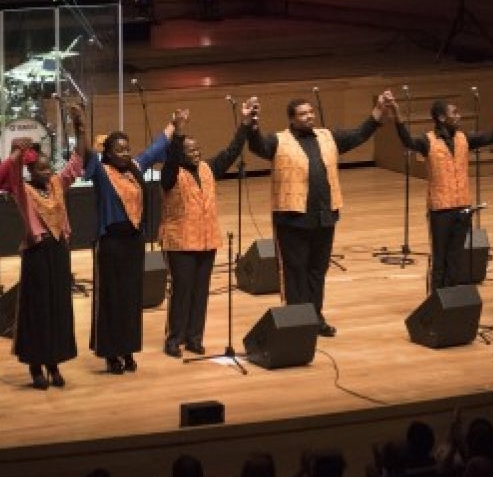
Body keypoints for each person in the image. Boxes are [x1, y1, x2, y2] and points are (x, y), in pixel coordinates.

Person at [247, 92, 388, 336]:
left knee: (317, 271)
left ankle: (316, 317)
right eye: (303, 114)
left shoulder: (327, 136)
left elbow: (358, 135)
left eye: (311, 112)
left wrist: (378, 111)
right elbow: (257, 145)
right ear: (292, 119)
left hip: (324, 216)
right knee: (295, 272)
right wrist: (251, 124)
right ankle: (297, 321)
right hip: (292, 219)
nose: (309, 116)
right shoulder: (278, 140)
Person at [84, 109, 187, 374]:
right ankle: (110, 353)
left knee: (131, 299)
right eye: (119, 150)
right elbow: (85, 153)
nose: (125, 153)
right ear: (108, 154)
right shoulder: (101, 171)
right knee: (111, 298)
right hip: (110, 243)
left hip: (133, 243)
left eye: (127, 149)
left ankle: (127, 349)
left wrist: (174, 124)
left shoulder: (135, 169)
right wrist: (79, 126)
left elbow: (156, 148)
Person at [159, 98, 258, 358]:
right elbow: (171, 158)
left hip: (206, 239)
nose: (195, 154)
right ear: (180, 153)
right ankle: (174, 339)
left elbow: (231, 152)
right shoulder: (171, 174)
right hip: (180, 242)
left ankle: (194, 338)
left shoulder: (208, 169)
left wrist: (244, 125)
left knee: (200, 291)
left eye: (197, 150)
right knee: (182, 290)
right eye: (189, 150)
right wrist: (178, 132)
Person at [388, 89, 493, 291]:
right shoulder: (427, 140)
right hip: (440, 210)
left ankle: (452, 299)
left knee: (456, 258)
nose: (459, 116)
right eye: (454, 113)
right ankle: (436, 299)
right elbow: (407, 141)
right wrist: (397, 115)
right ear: (441, 117)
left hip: (462, 207)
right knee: (440, 259)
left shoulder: (464, 138)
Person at [0, 103, 86, 389]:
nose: (47, 172)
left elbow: (76, 162)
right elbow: (11, 173)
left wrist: (79, 128)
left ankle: (54, 363)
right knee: (37, 309)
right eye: (41, 168)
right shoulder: (22, 189)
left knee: (58, 307)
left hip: (58, 252)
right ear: (30, 171)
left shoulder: (56, 184)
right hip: (37, 253)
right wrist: (17, 151)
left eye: (49, 167)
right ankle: (36, 366)